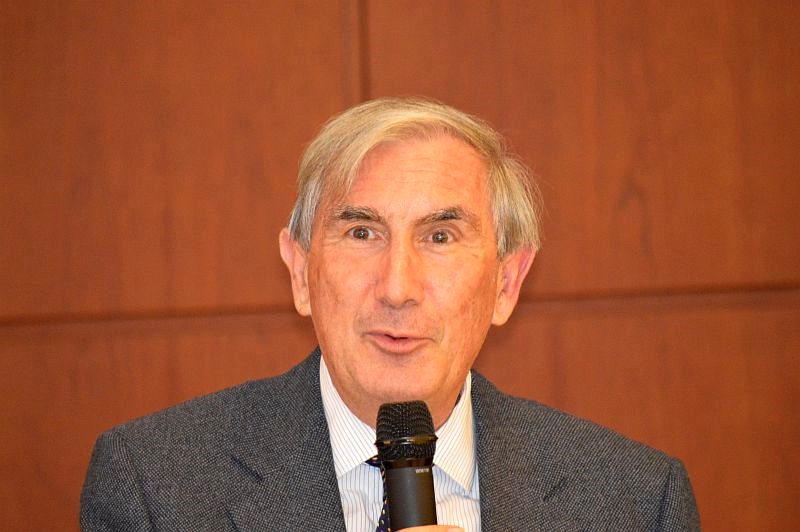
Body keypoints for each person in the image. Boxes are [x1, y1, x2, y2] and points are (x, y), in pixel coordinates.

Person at [81, 97, 700, 531]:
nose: (398, 289)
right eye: (361, 233)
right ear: (299, 272)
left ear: (507, 283)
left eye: (440, 237)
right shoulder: (156, 487)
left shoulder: (634, 502)